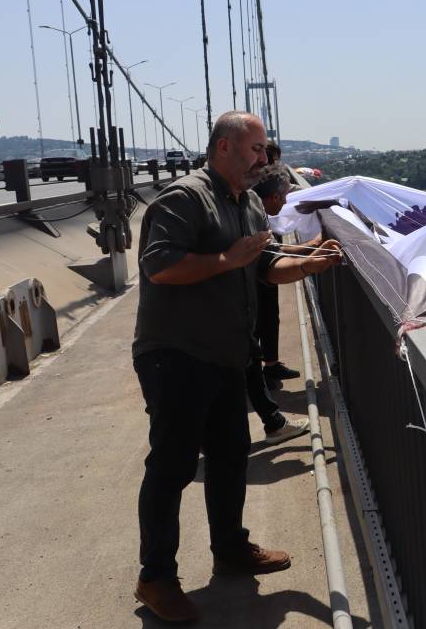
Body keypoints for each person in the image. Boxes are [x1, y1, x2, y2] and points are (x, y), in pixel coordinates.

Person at [132, 111, 341, 623]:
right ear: (223, 147)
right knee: (172, 467)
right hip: (176, 355)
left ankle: (230, 549)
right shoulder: (184, 198)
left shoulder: (246, 201)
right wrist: (227, 259)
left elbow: (264, 264)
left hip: (225, 357)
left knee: (229, 459)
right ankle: (155, 579)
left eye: (263, 149)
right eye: (254, 149)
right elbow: (159, 267)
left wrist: (310, 263)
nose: (263, 159)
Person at [246, 167, 338, 445]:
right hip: (228, 310)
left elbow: (272, 251)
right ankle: (272, 423)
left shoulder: (249, 207)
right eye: (286, 195)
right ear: (274, 197)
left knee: (249, 359)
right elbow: (269, 263)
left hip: (233, 310)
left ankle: (273, 422)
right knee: (245, 359)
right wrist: (309, 263)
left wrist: (311, 248)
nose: (289, 201)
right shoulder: (250, 212)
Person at [255, 140, 302, 387]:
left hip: (269, 247)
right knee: (258, 315)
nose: (267, 163)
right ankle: (256, 372)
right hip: (260, 257)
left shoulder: (271, 180)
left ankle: (268, 365)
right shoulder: (252, 191)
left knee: (269, 313)